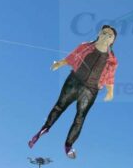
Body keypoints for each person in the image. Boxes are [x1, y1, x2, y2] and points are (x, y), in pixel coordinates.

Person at [27, 25, 118, 159]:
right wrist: (60, 63)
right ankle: (43, 130)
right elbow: (72, 57)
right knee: (59, 106)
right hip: (74, 82)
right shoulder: (85, 46)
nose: (106, 36)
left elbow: (110, 76)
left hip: (90, 90)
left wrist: (110, 92)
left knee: (80, 118)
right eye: (104, 33)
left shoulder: (112, 61)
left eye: (110, 36)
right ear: (99, 34)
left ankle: (68, 144)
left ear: (112, 41)